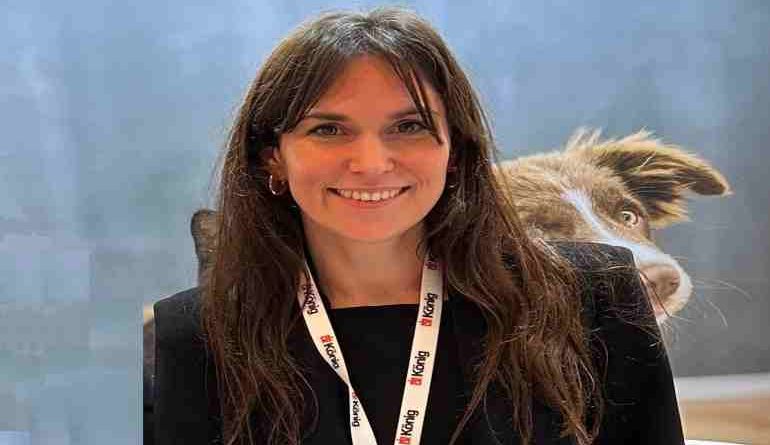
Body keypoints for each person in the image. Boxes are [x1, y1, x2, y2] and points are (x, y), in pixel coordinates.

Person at [153, 7, 684, 445]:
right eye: (329, 129)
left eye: (409, 126)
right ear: (273, 156)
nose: (371, 162)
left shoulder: (595, 294)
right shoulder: (195, 335)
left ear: (455, 151)